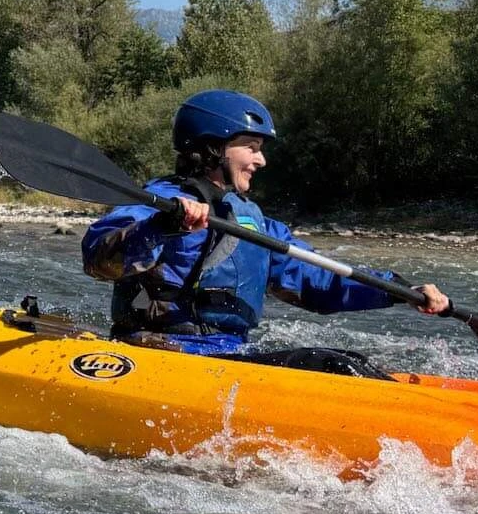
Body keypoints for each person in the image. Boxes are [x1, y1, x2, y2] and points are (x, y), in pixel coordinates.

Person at [80, 90, 448, 377]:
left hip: (229, 355)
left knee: (348, 363)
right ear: (213, 148)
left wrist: (397, 290)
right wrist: (161, 227)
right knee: (330, 364)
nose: (261, 160)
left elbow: (315, 279)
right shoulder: (158, 203)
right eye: (252, 148)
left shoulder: (251, 220)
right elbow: (97, 257)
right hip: (159, 352)